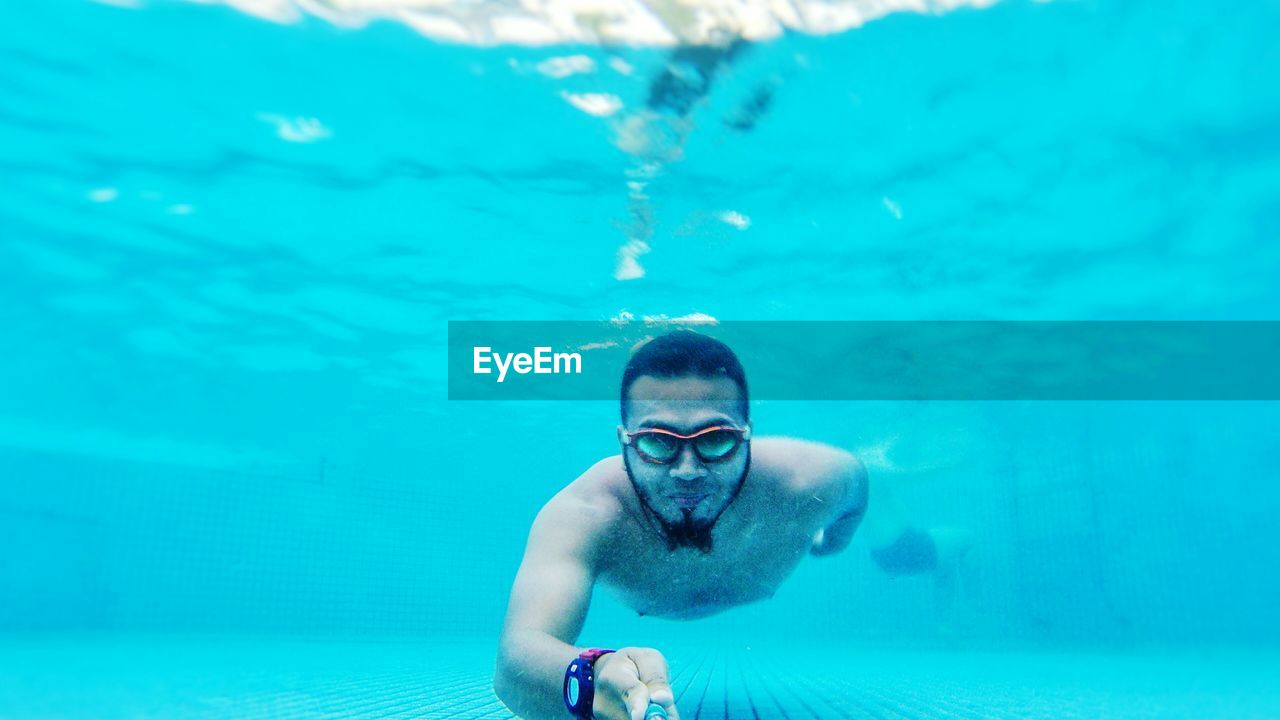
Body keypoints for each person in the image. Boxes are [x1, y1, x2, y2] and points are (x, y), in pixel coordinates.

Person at [494, 331, 956, 720]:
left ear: (747, 433)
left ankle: (959, 546)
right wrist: (590, 673)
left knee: (905, 557)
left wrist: (838, 537)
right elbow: (516, 659)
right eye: (658, 442)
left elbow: (858, 483)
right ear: (625, 441)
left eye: (715, 440)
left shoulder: (811, 480)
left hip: (854, 503)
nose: (688, 470)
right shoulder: (586, 514)